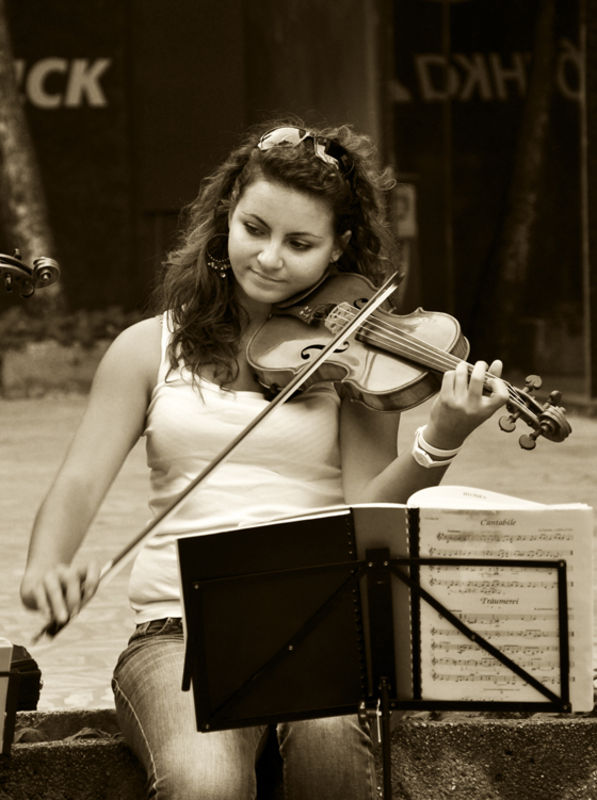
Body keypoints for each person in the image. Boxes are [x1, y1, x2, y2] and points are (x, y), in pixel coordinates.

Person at [20, 120, 509, 799]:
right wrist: (48, 562)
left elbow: (369, 510)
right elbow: (79, 479)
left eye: (300, 244)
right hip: (178, 630)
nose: (270, 258)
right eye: (255, 229)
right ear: (227, 214)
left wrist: (440, 441)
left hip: (317, 621)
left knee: (330, 744)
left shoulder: (359, 357)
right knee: (203, 781)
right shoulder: (146, 348)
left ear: (339, 246)